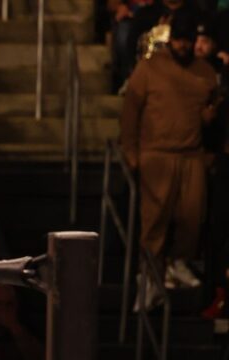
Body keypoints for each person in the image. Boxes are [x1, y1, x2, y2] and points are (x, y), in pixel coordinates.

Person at [120, 12, 217, 291]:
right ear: (171, 40)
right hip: (157, 153)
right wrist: (131, 152)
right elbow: (131, 111)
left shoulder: (205, 72)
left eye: (188, 41)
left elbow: (211, 108)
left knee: (192, 215)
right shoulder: (150, 68)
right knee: (154, 219)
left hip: (191, 155)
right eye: (179, 41)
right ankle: (150, 273)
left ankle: (179, 263)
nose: (183, 47)